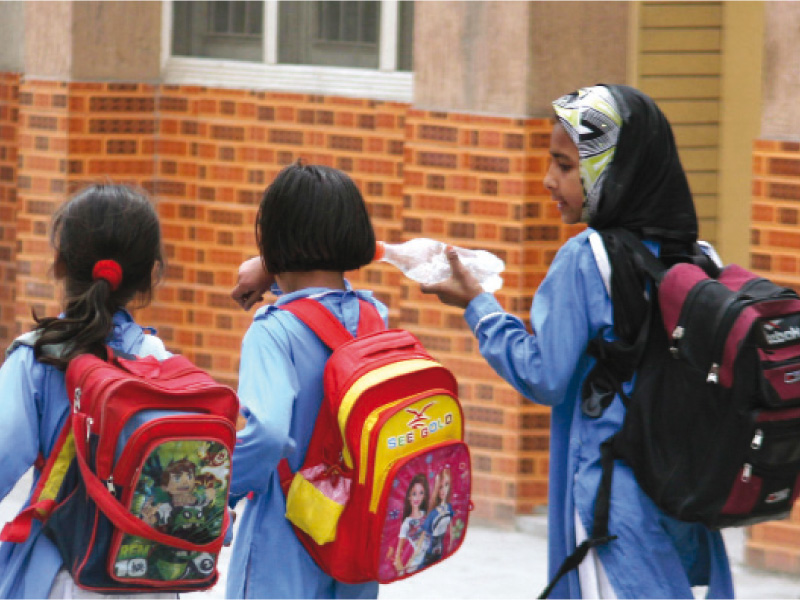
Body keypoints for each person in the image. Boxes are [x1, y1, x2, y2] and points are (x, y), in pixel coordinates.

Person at [420, 85, 734, 599]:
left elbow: (544, 375)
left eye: (565, 166)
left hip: (616, 507)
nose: (549, 181)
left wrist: (479, 307)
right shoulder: (699, 258)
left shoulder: (586, 260)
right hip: (684, 500)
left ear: (616, 168)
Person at [0, 184, 172, 598]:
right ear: (151, 273)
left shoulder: (36, 358)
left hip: (59, 573)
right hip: (143, 577)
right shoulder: (158, 359)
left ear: (59, 265)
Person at [227, 161, 387, 599]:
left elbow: (269, 433)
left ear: (272, 241)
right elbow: (327, 299)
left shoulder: (272, 331)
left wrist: (222, 492)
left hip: (285, 540)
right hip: (356, 539)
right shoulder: (375, 316)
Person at [393, 473, 430, 576]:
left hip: (429, 557)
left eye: (421, 493)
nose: (417, 497)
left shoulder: (425, 515)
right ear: (409, 496)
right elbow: (399, 548)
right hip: (416, 560)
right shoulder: (407, 523)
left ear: (424, 496)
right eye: (414, 494)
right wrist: (398, 562)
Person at [422, 466, 454, 567]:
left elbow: (451, 526)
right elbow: (424, 535)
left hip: (441, 552)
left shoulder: (449, 507)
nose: (443, 490)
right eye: (440, 487)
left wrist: (451, 544)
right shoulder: (433, 513)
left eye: (446, 485)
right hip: (430, 552)